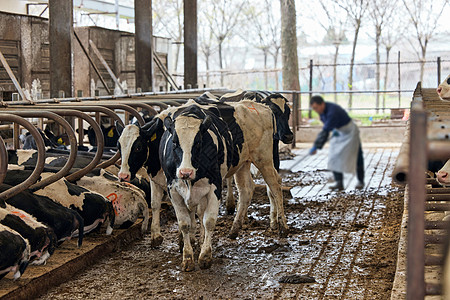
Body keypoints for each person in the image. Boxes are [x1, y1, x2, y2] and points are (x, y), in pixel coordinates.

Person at [309, 95, 364, 190]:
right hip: (338, 131)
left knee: (357, 156)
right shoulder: (322, 111)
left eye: (316, 108)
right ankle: (339, 183)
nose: (315, 110)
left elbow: (325, 131)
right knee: (334, 156)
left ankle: (360, 181)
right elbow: (327, 128)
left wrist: (316, 146)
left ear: (322, 104)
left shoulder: (332, 112)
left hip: (349, 131)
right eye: (313, 109)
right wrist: (318, 145)